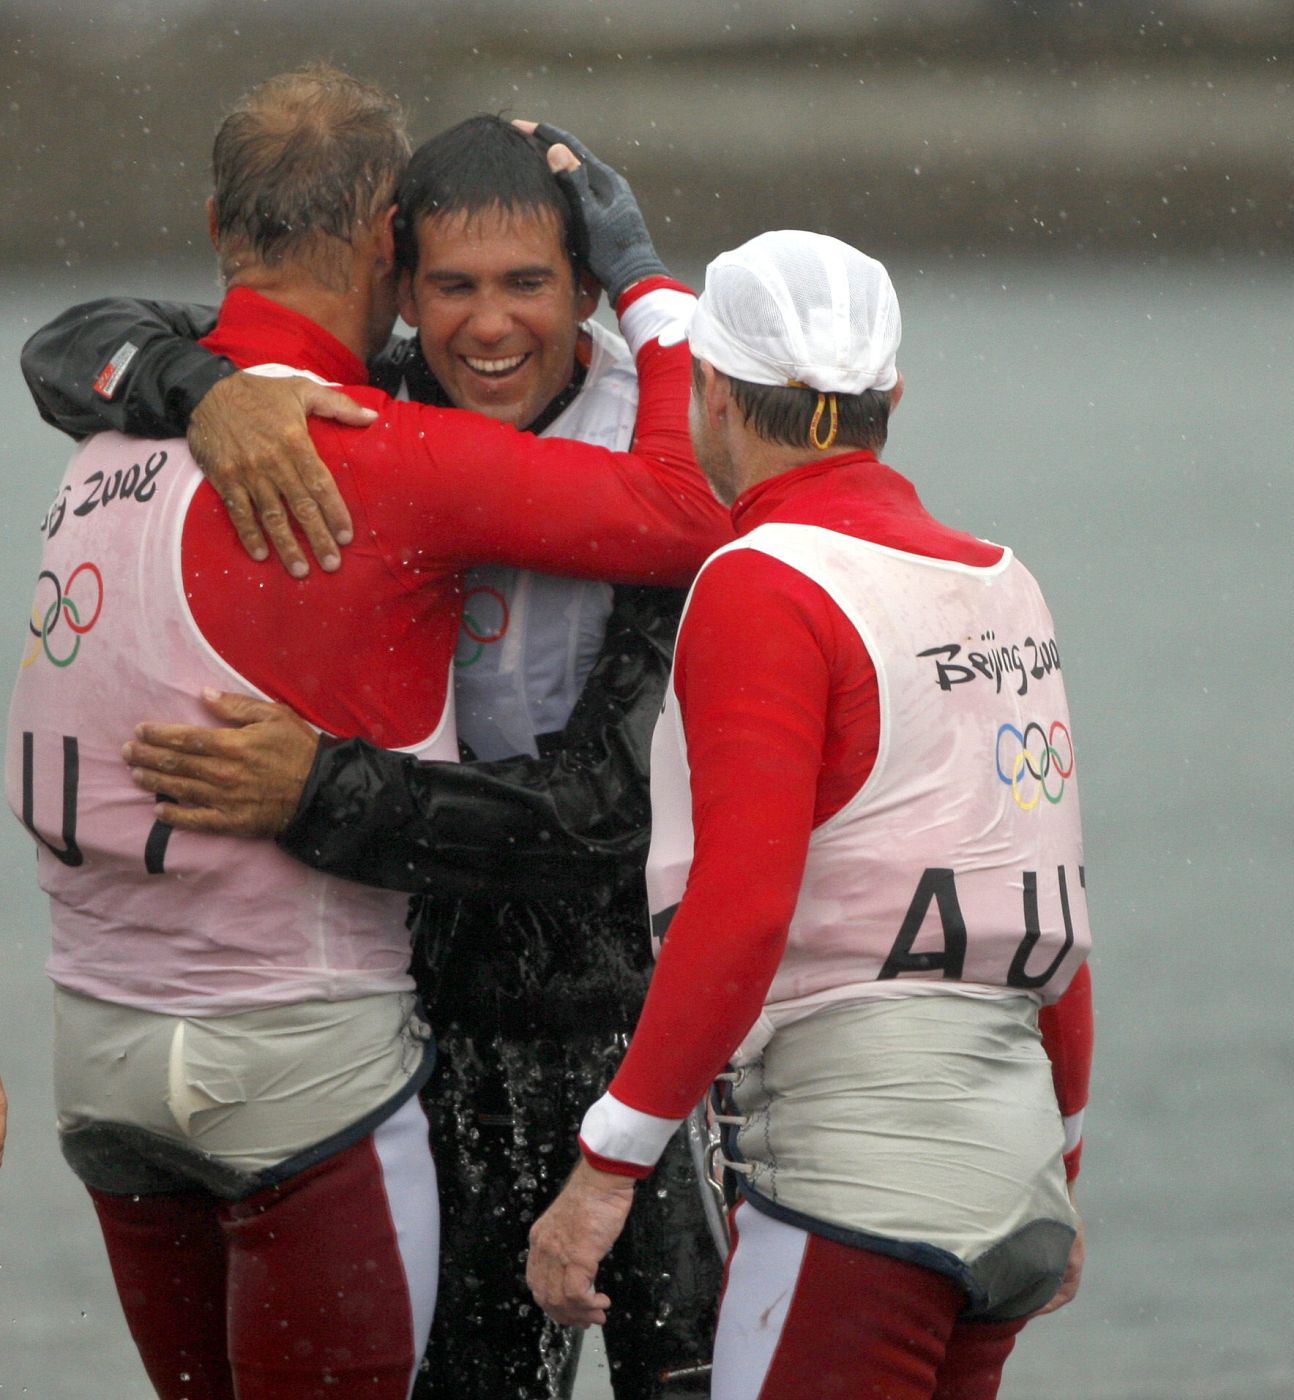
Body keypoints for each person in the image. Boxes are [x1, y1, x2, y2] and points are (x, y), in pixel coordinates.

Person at [5, 66, 728, 1400]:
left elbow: (605, 813)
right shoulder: (372, 434)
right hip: (342, 1049)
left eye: (530, 284)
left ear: (218, 224)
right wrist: (651, 282)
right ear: (392, 254)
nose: (488, 322)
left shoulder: (115, 432)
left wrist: (322, 792)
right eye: (452, 282)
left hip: (127, 1058)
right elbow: (686, 512)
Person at [526, 230, 1095, 1400]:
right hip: (1016, 1173)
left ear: (718, 397)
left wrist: (604, 1164)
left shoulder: (762, 580)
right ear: (889, 393)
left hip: (860, 1189)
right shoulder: (1000, 579)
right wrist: (1061, 1165)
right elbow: (1048, 910)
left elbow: (737, 911)